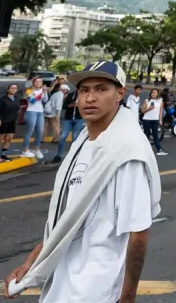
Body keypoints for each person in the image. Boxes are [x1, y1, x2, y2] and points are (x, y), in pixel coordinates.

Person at [3, 61, 161, 302]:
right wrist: (31, 263)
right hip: (62, 282)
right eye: (84, 90)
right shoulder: (83, 142)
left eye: (100, 89)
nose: (90, 98)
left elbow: (138, 233)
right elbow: (67, 218)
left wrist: (128, 295)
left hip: (96, 289)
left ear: (120, 94)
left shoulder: (127, 154)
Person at [51, 87, 82, 164]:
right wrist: (70, 105)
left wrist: (80, 106)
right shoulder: (71, 95)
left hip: (79, 119)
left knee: (75, 137)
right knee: (63, 136)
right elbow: (64, 105)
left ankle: (73, 156)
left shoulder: (85, 96)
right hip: (68, 119)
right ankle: (59, 155)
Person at [21, 77, 48, 159]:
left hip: (40, 112)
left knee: (39, 131)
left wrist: (45, 93)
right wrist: (41, 93)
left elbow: (45, 100)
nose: (39, 83)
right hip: (31, 111)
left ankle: (36, 149)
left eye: (40, 81)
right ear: (33, 83)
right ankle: (25, 150)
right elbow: (32, 100)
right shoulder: (29, 91)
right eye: (37, 81)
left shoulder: (42, 91)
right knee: (30, 131)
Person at [141, 88, 167, 156]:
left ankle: (159, 149)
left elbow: (160, 111)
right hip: (146, 120)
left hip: (155, 120)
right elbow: (142, 111)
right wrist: (149, 109)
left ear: (158, 93)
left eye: (155, 92)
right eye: (152, 92)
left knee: (155, 135)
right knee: (146, 135)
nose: (153, 94)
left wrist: (160, 120)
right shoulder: (147, 101)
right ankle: (143, 150)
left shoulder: (160, 101)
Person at [0, 84, 20, 161]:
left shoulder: (16, 98)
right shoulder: (3, 99)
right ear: (8, 89)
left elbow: (18, 109)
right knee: (1, 138)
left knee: (9, 138)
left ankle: (3, 155)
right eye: (12, 88)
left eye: (15, 88)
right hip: (3, 120)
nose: (13, 89)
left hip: (12, 121)